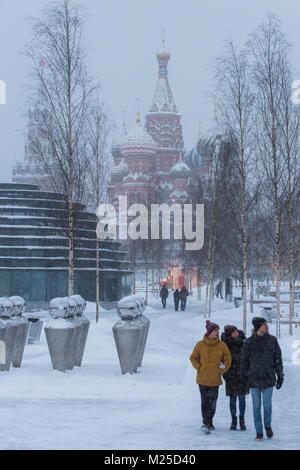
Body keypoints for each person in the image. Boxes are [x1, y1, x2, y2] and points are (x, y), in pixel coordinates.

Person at [240, 317, 284, 441]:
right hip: (253, 379)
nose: (267, 326)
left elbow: (278, 359)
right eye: (265, 325)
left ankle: (268, 426)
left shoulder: (272, 341)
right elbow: (244, 362)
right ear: (258, 326)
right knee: (256, 407)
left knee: (267, 405)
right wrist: (243, 378)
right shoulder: (249, 342)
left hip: (268, 378)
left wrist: (280, 375)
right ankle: (259, 431)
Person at [190, 320, 232, 434]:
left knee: (213, 403)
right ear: (209, 332)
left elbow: (228, 358)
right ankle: (206, 423)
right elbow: (193, 357)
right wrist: (199, 367)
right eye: (215, 331)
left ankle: (209, 421)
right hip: (202, 379)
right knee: (205, 402)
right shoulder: (200, 345)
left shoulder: (222, 346)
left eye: (218, 331)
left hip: (215, 379)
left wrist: (222, 369)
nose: (217, 333)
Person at [221, 325, 249, 431]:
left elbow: (248, 359)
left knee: (242, 399)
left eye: (237, 331)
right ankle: (234, 420)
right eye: (233, 332)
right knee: (232, 399)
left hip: (242, 375)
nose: (236, 333)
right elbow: (222, 361)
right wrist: (225, 373)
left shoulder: (244, 344)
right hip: (231, 376)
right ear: (229, 334)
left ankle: (242, 420)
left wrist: (247, 372)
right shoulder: (225, 345)